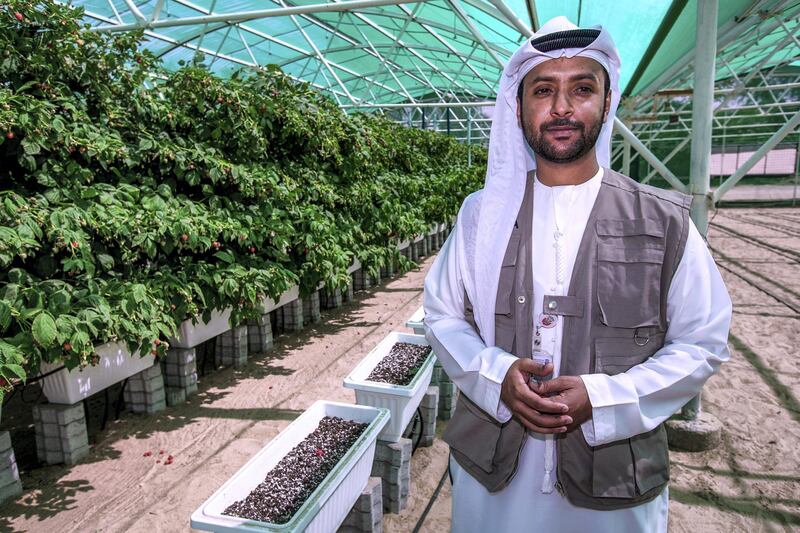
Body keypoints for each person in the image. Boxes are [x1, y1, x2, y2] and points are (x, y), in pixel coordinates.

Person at [423, 16, 732, 533]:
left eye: (581, 88)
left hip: (613, 489)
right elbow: (442, 314)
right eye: (543, 90)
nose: (562, 107)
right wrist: (496, 377)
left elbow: (702, 340)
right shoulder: (481, 215)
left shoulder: (664, 220)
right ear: (518, 107)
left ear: (606, 102)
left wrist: (607, 398)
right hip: (492, 483)